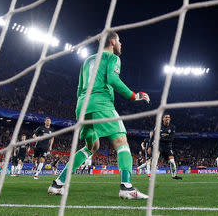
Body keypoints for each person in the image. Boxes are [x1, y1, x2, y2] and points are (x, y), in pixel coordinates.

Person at [48, 31, 150, 199]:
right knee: (121, 142)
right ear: (112, 41)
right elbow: (113, 79)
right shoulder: (112, 58)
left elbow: (80, 88)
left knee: (91, 147)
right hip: (101, 103)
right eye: (119, 41)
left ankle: (58, 184)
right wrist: (135, 95)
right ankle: (126, 187)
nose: (121, 44)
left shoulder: (87, 60)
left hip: (82, 106)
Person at [149, 113, 182, 180]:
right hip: (159, 145)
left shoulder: (172, 127)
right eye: (166, 117)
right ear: (163, 119)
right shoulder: (158, 126)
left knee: (172, 161)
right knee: (155, 157)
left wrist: (161, 138)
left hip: (168, 146)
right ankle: (152, 176)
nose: (167, 118)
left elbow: (171, 139)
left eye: (168, 117)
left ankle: (174, 175)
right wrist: (150, 146)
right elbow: (152, 137)